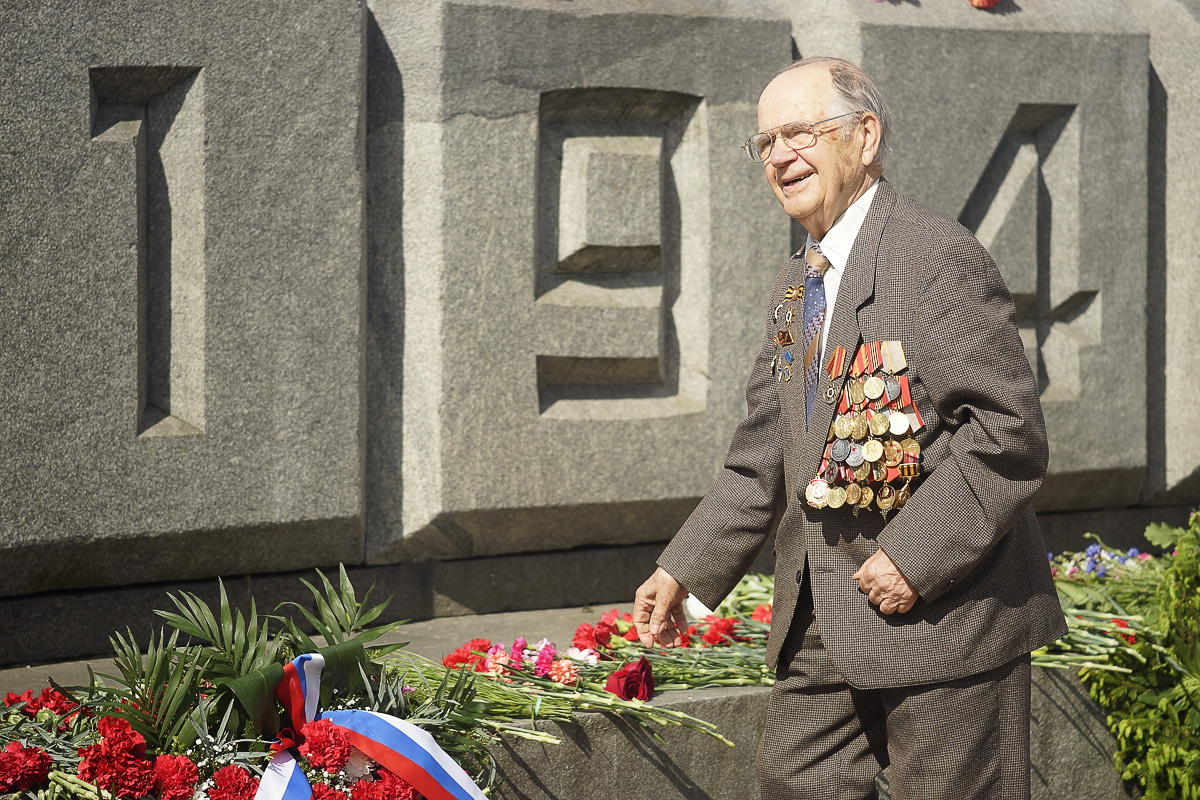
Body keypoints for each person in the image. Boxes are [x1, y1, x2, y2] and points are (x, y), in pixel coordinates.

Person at [633, 56, 1067, 800]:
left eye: (798, 132)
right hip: (822, 619)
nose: (778, 155)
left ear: (864, 137)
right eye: (765, 141)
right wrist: (687, 568)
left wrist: (914, 555)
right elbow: (764, 451)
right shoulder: (799, 281)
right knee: (796, 779)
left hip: (945, 611)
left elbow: (1007, 432)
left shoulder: (935, 257)